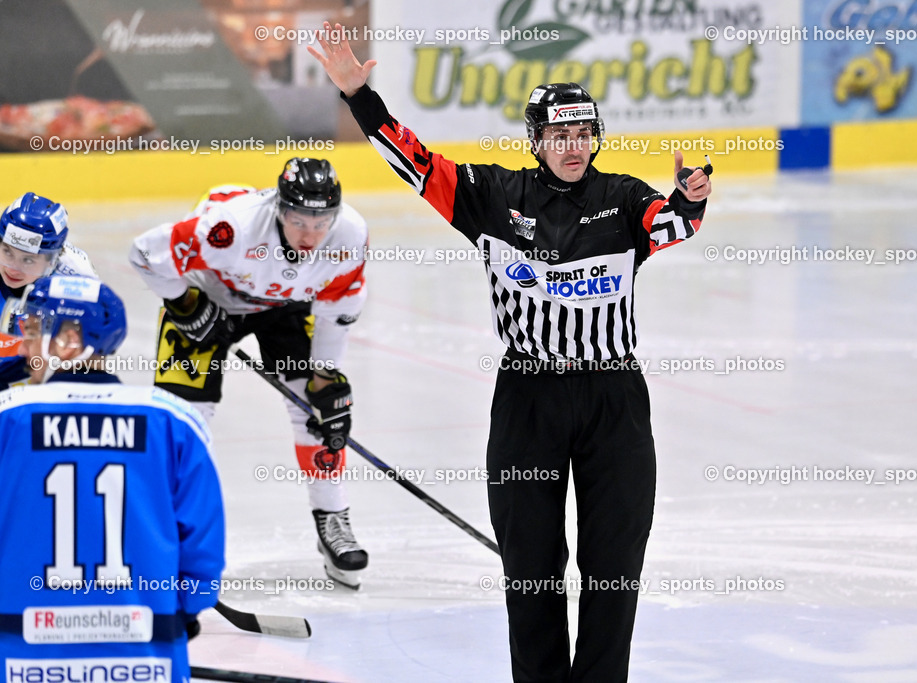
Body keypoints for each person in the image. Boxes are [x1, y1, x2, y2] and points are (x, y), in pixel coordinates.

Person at [310, 24, 712, 682]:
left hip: (613, 399)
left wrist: (690, 200)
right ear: (537, 141)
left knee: (614, 567)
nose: (573, 146)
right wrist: (361, 97)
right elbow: (416, 162)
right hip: (528, 398)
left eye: (583, 133)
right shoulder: (493, 196)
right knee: (530, 567)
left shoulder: (625, 198)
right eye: (560, 134)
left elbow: (670, 223)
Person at [129, 158, 371, 588]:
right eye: (299, 221)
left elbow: (338, 308)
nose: (310, 235)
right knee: (184, 418)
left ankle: (333, 517)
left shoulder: (349, 235)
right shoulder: (230, 229)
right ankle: (171, 529)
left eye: (321, 222)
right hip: (209, 293)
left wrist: (324, 377)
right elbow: (145, 252)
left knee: (320, 413)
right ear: (280, 208)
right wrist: (187, 305)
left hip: (284, 306)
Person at [0, 275, 225, 683]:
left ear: (68, 339)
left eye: (32, 331)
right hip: (144, 653)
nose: (22, 347)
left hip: (17, 652)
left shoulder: (8, 417)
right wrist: (187, 610)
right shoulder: (173, 420)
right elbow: (202, 543)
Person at [0, 192, 97, 388]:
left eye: (28, 260)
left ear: (52, 260)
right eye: (7, 252)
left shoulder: (76, 275)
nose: (13, 268)